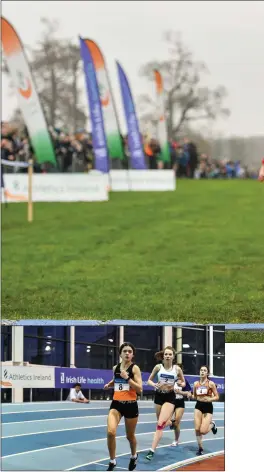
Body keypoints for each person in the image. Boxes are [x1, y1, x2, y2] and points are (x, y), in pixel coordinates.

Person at [104, 342, 142, 471]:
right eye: (124, 351)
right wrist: (110, 384)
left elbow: (140, 389)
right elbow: (116, 379)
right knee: (110, 432)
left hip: (131, 405)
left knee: (129, 436)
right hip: (116, 404)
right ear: (120, 354)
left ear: (132, 355)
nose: (127, 353)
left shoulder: (135, 368)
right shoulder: (116, 368)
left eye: (130, 351)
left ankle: (133, 455)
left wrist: (128, 379)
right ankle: (112, 461)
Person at [145, 347, 185, 461]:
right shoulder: (158, 367)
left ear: (173, 356)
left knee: (159, 424)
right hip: (158, 396)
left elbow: (183, 382)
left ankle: (151, 450)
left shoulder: (177, 369)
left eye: (170, 354)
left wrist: (179, 383)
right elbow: (149, 380)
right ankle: (171, 421)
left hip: (170, 397)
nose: (167, 356)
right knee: (161, 423)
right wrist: (154, 385)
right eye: (166, 354)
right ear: (163, 356)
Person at [191, 366, 219, 456]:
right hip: (198, 405)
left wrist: (210, 399)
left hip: (207, 407)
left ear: (207, 373)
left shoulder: (210, 383)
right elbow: (194, 396)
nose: (202, 372)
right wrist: (188, 394)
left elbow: (217, 396)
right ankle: (200, 448)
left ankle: (212, 424)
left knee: (203, 431)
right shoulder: (196, 384)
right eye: (201, 370)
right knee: (197, 429)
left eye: (204, 370)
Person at [169, 367, 192, 446]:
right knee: (166, 420)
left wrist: (180, 392)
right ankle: (171, 422)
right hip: (171, 401)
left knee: (177, 422)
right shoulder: (171, 379)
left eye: (179, 371)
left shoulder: (184, 381)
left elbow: (189, 394)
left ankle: (176, 440)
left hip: (180, 402)